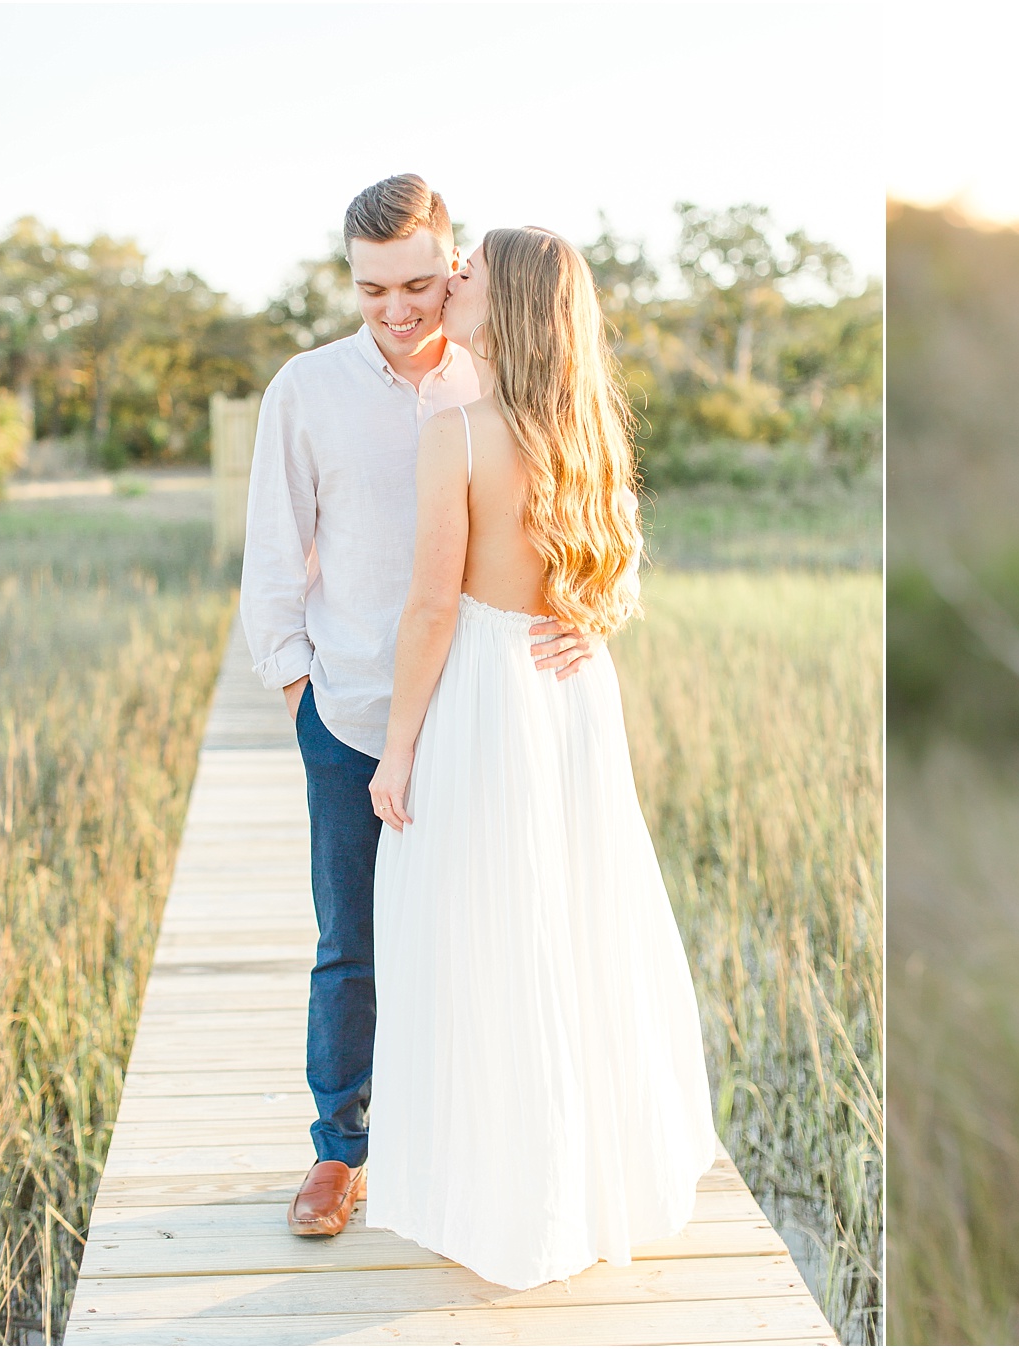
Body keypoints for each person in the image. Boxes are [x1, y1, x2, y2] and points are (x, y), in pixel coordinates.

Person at [241, 176, 600, 1238]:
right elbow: (273, 550)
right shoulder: (305, 391)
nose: (396, 309)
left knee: (483, 933)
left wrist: (591, 612)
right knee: (351, 940)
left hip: (486, 714)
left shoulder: (509, 378)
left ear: (453, 267)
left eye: (415, 284)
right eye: (369, 290)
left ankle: (465, 1139)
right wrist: (299, 684)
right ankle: (339, 1153)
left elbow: (583, 514)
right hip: (353, 710)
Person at [361, 226, 717, 1290]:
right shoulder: (589, 427)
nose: (451, 283)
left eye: (466, 274)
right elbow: (613, 573)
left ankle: (508, 1192)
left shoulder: (458, 431)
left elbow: (431, 605)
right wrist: (590, 621)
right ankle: (568, 1179)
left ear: (506, 303)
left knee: (474, 932)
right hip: (566, 690)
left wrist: (397, 745)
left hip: (483, 687)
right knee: (570, 923)